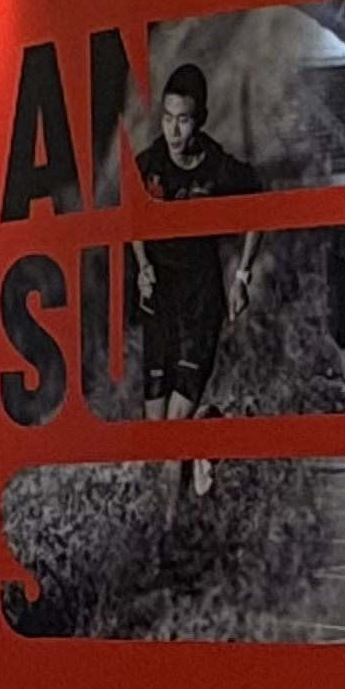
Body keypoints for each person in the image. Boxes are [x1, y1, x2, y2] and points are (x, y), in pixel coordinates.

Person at [134, 64, 259, 500]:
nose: (173, 130)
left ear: (200, 119)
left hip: (201, 302)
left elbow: (259, 209)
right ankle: (207, 431)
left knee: (173, 431)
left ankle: (170, 532)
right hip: (159, 303)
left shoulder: (220, 169)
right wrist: (142, 266)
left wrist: (241, 276)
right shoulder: (148, 165)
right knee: (156, 435)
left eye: (183, 120)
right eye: (167, 118)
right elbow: (132, 220)